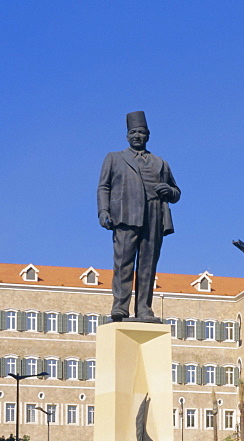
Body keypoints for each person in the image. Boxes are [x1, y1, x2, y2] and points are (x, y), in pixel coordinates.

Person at [97, 111, 180, 323]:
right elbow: (104, 187)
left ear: (148, 135)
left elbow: (176, 192)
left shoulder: (161, 163)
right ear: (127, 135)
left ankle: (144, 308)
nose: (137, 135)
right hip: (124, 216)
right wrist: (103, 211)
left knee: (148, 265)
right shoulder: (114, 158)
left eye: (141, 132)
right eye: (133, 132)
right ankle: (120, 307)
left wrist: (169, 191)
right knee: (123, 263)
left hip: (154, 215)